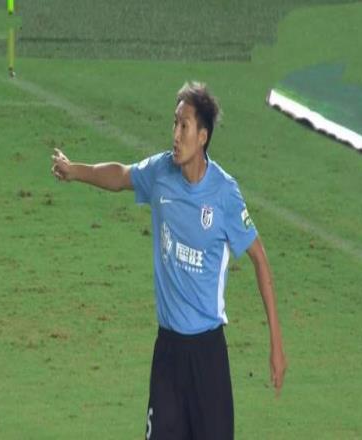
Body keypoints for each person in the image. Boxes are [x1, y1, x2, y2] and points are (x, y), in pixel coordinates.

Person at [51, 81, 286, 440]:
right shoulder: (161, 173)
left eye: (184, 126)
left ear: (202, 136)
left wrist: (276, 344)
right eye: (174, 123)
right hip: (169, 353)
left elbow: (260, 259)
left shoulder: (224, 194)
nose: (175, 135)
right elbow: (121, 176)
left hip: (208, 356)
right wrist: (75, 171)